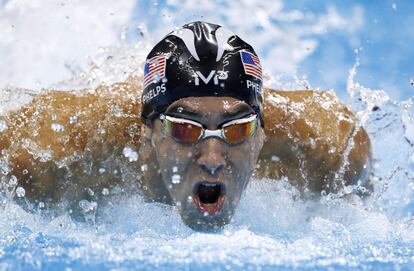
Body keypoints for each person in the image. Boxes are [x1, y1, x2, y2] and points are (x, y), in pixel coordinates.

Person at [0, 21, 371, 230]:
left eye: (236, 129)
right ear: (148, 134)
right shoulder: (54, 151)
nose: (212, 158)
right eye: (185, 129)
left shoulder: (330, 149)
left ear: (261, 135)